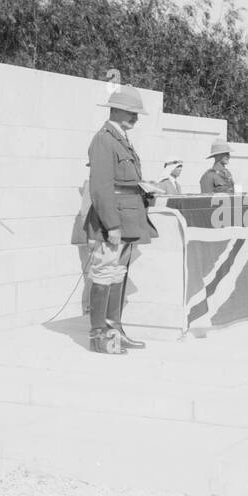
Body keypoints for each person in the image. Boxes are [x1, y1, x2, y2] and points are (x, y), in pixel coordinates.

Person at [76, 84, 158, 354]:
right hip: (113, 220)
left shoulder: (120, 137)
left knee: (117, 273)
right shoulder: (104, 139)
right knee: (104, 272)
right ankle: (99, 336)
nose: (136, 118)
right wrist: (111, 224)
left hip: (128, 215)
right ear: (117, 109)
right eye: (132, 112)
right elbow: (100, 187)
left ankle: (114, 330)